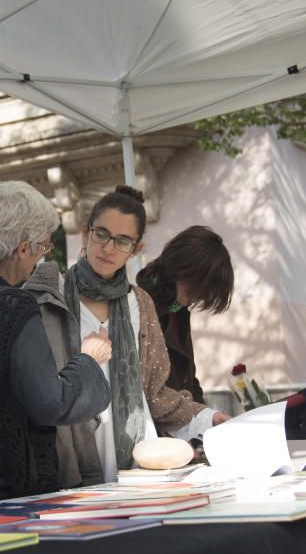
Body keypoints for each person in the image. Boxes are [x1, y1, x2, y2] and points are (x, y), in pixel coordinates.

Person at [0, 181, 112, 509]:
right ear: (23, 248)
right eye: (43, 247)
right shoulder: (15, 306)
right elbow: (49, 402)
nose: (41, 258)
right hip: (4, 491)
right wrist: (88, 358)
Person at [36, 185, 227, 485]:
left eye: (122, 241)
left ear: (136, 248)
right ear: (87, 233)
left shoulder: (139, 304)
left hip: (135, 466)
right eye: (102, 234)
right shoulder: (53, 297)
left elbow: (155, 393)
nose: (108, 249)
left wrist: (206, 418)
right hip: (71, 457)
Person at [135, 225, 235, 403]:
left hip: (180, 423)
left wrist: (205, 416)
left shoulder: (178, 311)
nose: (198, 296)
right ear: (182, 266)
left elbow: (188, 379)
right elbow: (150, 388)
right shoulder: (141, 308)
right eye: (197, 286)